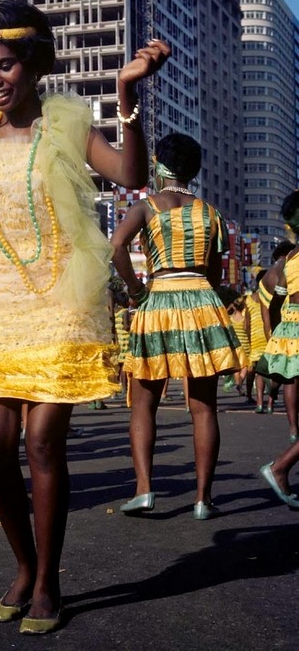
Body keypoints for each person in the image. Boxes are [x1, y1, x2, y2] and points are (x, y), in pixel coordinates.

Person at [0, 0, 170, 634]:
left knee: (40, 444)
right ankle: (24, 564)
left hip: (59, 305)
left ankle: (49, 580)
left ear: (33, 64)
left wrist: (126, 94)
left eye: (5, 66)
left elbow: (130, 173)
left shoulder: (66, 125)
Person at [111, 133, 246, 520]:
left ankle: (143, 490)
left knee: (143, 402)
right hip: (202, 299)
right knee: (204, 407)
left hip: (159, 300)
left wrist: (137, 291)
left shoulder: (146, 207)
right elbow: (216, 271)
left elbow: (117, 247)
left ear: (158, 164)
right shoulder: (210, 211)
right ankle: (203, 499)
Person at [258, 191, 299, 505]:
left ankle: (283, 462)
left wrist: (275, 332)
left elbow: (277, 299)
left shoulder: (290, 259)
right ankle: (281, 466)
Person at [258, 239, 296, 432]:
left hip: (283, 326)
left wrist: (273, 338)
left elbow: (267, 316)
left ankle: (290, 424)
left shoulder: (266, 277)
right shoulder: (292, 260)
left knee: (286, 375)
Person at [245, 271, 269, 412]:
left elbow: (246, 325)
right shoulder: (270, 298)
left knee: (252, 371)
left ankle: (253, 397)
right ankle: (270, 402)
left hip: (254, 340)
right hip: (268, 337)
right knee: (269, 371)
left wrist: (248, 340)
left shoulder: (249, 300)